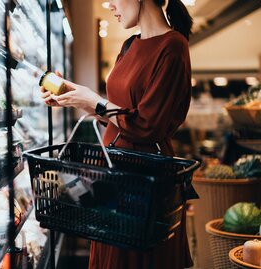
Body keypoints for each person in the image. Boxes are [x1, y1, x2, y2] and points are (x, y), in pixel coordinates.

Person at [40, 0, 193, 268]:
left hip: (143, 181)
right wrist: (76, 98)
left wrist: (95, 102)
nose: (108, 4)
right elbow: (122, 117)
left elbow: (147, 125)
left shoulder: (173, 46)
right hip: (113, 174)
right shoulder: (129, 45)